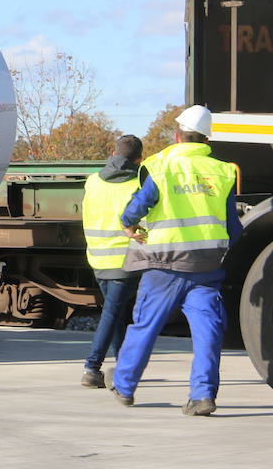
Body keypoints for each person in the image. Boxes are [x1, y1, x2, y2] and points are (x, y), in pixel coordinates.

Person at [110, 105, 241, 416]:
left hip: (164, 264)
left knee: (145, 325)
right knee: (208, 330)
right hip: (206, 267)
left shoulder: (162, 165)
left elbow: (139, 205)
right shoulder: (223, 171)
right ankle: (202, 396)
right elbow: (233, 227)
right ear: (207, 139)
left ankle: (125, 386)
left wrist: (129, 224)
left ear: (178, 135)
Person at [78, 134, 144, 389]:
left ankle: (121, 366)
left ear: (114, 153)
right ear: (139, 159)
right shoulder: (138, 182)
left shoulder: (93, 181)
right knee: (112, 312)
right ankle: (91, 367)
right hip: (125, 259)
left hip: (97, 257)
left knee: (115, 312)